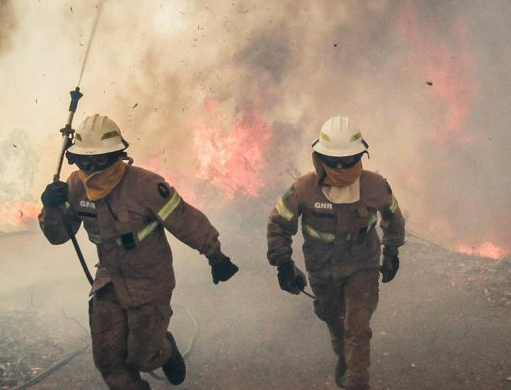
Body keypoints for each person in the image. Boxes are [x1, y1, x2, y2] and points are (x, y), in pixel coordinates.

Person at [39, 114, 239, 389]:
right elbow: (59, 236)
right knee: (109, 362)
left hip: (150, 283)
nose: (91, 168)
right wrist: (51, 207)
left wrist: (216, 256)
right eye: (84, 160)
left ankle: (164, 348)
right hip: (109, 283)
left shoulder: (145, 186)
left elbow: (185, 220)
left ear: (117, 155)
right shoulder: (74, 187)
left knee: (142, 357)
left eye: (99, 160)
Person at [267, 116, 405, 390]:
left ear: (361, 156)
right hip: (322, 270)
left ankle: (357, 380)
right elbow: (279, 225)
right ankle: (343, 356)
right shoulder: (303, 189)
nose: (341, 168)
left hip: (361, 267)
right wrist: (284, 264)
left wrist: (391, 253)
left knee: (357, 328)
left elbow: (393, 217)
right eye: (334, 162)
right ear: (319, 157)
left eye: (349, 160)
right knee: (333, 319)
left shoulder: (375, 186)